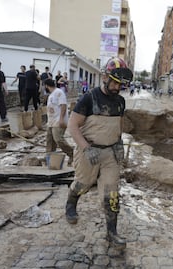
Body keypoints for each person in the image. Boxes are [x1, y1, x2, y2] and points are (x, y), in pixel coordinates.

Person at [65, 57, 133, 247]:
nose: (117, 88)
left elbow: (118, 124)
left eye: (121, 85)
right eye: (115, 83)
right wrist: (86, 148)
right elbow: (73, 125)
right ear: (105, 77)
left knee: (112, 193)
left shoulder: (120, 102)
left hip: (110, 154)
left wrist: (119, 142)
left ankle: (112, 232)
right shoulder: (89, 98)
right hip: (89, 152)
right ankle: (71, 204)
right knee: (83, 184)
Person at [45, 79, 74, 165]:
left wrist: (61, 119)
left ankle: (72, 153)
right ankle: (50, 159)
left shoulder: (59, 93)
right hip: (51, 121)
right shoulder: (51, 95)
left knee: (58, 139)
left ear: (46, 85)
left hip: (58, 121)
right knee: (50, 141)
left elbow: (63, 106)